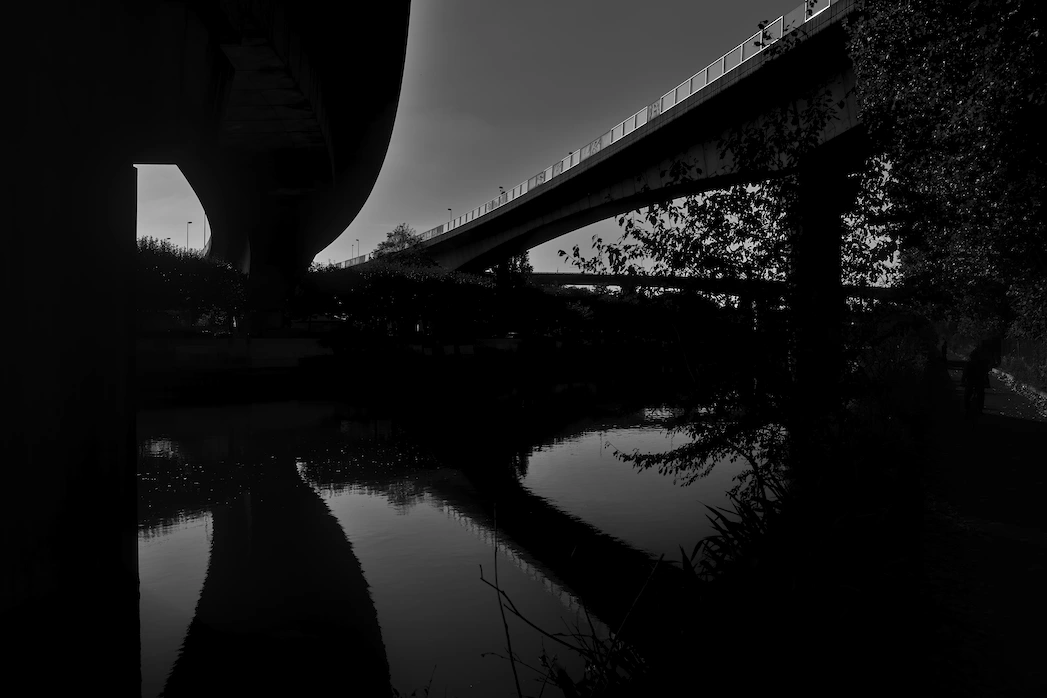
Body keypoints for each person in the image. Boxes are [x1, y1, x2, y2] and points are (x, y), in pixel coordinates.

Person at [961, 342, 991, 417]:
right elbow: (985, 372)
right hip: (977, 380)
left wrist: (963, 380)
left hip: (972, 380)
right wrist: (986, 382)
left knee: (968, 393)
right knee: (980, 394)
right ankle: (979, 409)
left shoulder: (974, 357)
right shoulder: (982, 358)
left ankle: (966, 408)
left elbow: (965, 372)